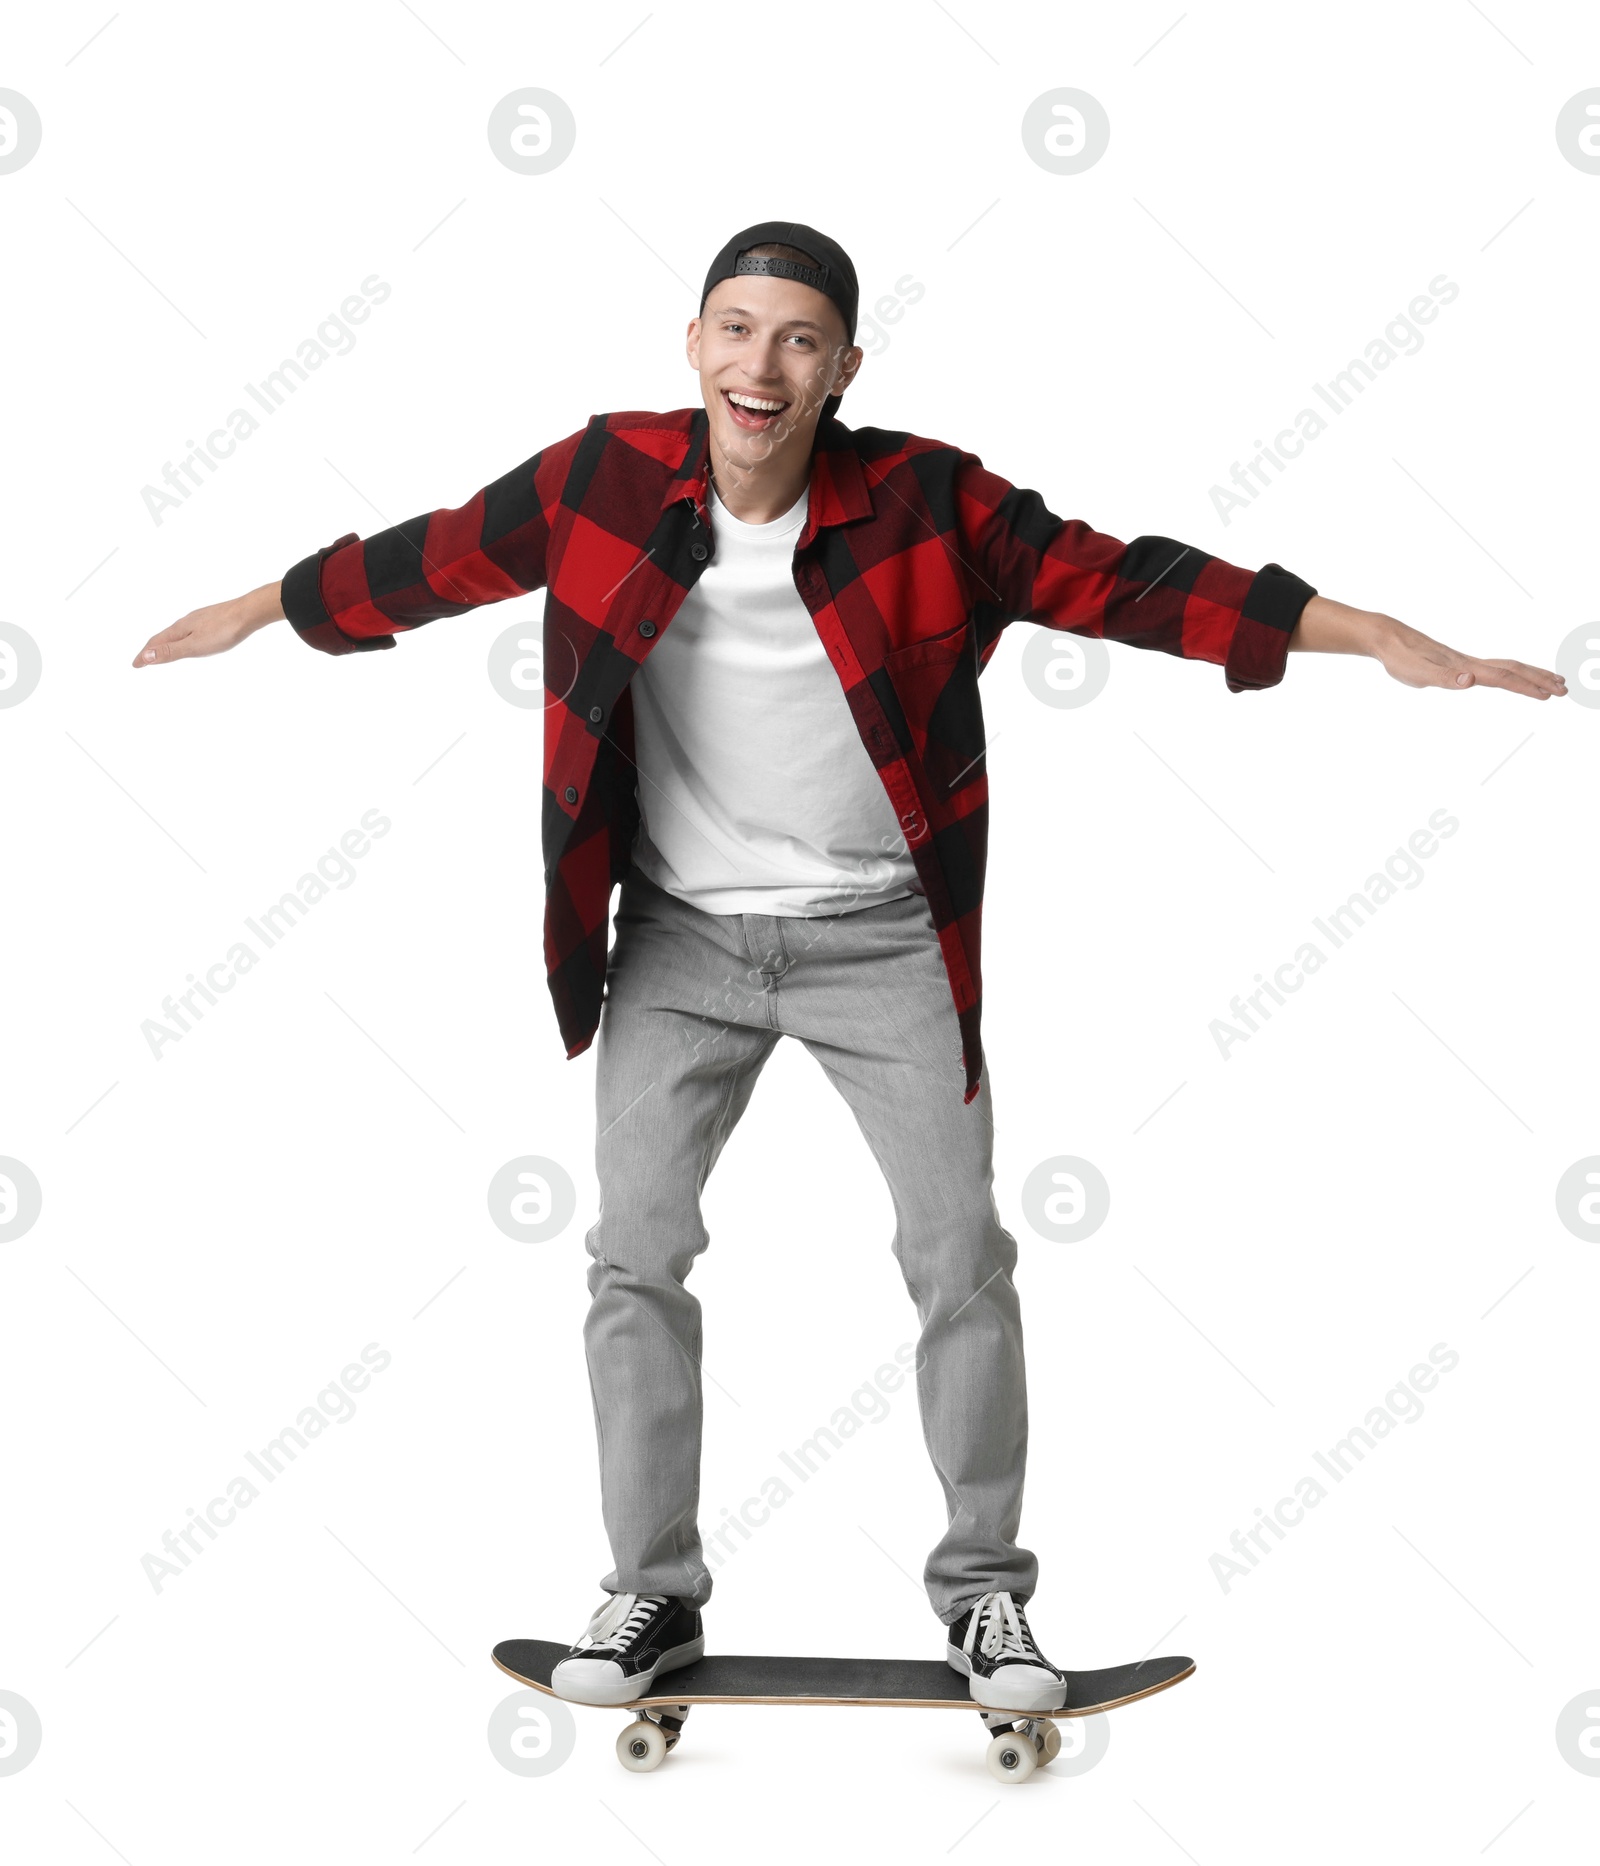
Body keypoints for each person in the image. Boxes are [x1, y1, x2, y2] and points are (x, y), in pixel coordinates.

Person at [134, 219, 1566, 1715]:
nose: (763, 365)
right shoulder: (601, 480)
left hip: (884, 933)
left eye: (800, 339)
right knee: (635, 1253)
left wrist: (1367, 632)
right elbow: (423, 561)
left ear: (843, 370)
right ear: (693, 345)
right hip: (681, 940)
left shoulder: (931, 502)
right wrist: (257, 609)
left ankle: (987, 1606)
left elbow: (1133, 582)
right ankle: (650, 1596)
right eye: (737, 329)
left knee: (960, 1260)